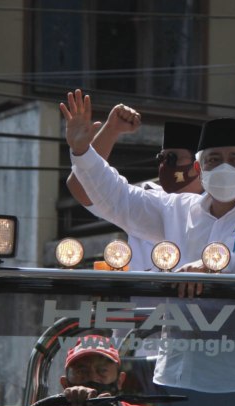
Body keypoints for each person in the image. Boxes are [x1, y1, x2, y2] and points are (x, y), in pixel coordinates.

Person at [60, 89, 235, 406]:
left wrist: (216, 267)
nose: (225, 168)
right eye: (214, 160)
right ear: (199, 169)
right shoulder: (176, 209)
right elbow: (114, 198)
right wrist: (82, 151)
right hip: (175, 376)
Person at [63, 91, 203, 271]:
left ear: (198, 166)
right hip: (146, 297)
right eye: (162, 158)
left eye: (173, 158)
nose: (165, 165)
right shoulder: (148, 198)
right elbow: (82, 188)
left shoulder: (218, 206)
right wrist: (110, 131)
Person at [36, 335, 155, 406]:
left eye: (102, 370)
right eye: (82, 371)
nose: (93, 377)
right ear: (65, 383)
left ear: (120, 380)